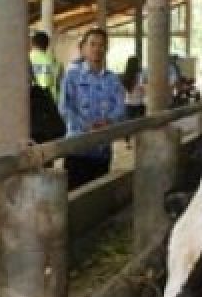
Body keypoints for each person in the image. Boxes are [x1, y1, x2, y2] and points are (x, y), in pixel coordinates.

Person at [59, 27, 126, 190]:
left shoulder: (113, 80)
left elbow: (120, 108)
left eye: (102, 45)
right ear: (83, 48)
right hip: (77, 149)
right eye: (92, 44)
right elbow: (64, 106)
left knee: (98, 196)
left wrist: (109, 121)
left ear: (106, 49)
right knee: (75, 196)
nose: (97, 49)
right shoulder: (72, 76)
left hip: (102, 150)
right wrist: (85, 125)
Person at [29, 30, 61, 98]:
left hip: (35, 101)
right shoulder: (57, 63)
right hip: (54, 102)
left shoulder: (27, 60)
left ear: (32, 43)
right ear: (47, 45)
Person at [122, 55, 146, 120]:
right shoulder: (140, 75)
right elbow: (143, 91)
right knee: (139, 126)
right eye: (138, 62)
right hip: (139, 104)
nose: (140, 64)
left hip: (128, 104)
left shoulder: (125, 76)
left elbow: (123, 92)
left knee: (129, 126)